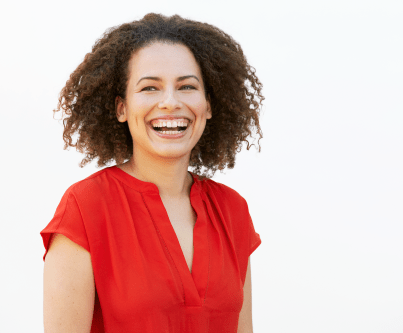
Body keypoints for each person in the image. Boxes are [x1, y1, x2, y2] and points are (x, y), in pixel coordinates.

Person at [40, 13, 264, 333]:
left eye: (186, 86)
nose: (170, 103)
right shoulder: (85, 209)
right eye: (150, 88)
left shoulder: (232, 211)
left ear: (209, 105)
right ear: (121, 108)